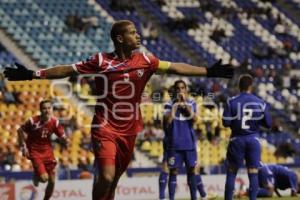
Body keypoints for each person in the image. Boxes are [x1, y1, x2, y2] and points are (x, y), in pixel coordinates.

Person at [4, 20, 234, 200]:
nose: (138, 35)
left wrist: (208, 71)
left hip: (130, 129)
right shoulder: (101, 61)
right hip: (104, 126)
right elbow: (67, 69)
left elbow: (175, 68)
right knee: (105, 175)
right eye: (133, 32)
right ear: (120, 38)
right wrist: (34, 74)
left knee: (113, 181)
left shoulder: (147, 60)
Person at [222, 74, 272, 200]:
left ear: (239, 86)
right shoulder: (261, 103)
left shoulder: (231, 101)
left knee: (232, 172)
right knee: (253, 173)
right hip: (253, 140)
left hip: (237, 139)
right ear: (251, 86)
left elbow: (225, 123)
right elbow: (269, 124)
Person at [163, 80, 206, 200]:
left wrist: (185, 105)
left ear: (186, 90)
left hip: (189, 143)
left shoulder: (192, 103)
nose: (180, 90)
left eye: (183, 88)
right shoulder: (169, 104)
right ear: (175, 90)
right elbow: (168, 120)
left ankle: (194, 197)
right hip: (174, 143)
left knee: (192, 171)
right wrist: (176, 105)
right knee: (173, 171)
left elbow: (195, 119)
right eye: (178, 88)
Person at [17, 100, 68, 200]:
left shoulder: (55, 122)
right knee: (44, 179)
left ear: (52, 109)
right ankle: (36, 173)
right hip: (34, 151)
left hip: (48, 151)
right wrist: (23, 146)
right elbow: (20, 130)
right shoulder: (33, 121)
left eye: (49, 108)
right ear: (40, 110)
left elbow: (63, 137)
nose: (47, 110)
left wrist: (65, 141)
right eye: (44, 108)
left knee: (52, 181)